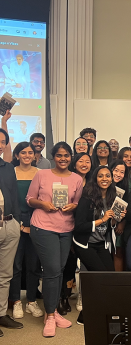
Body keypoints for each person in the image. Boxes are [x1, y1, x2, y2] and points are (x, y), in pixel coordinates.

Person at [27, 142, 83, 337]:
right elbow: (30, 199)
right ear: (53, 157)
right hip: (43, 226)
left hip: (66, 229)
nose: (63, 159)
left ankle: (54, 311)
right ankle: (50, 315)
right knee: (51, 270)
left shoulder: (77, 179)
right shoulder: (41, 174)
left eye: (66, 155)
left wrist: (73, 207)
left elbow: (78, 202)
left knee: (58, 270)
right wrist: (43, 204)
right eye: (59, 155)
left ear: (71, 157)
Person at [73, 166, 122, 324]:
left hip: (101, 243)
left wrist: (114, 220)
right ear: (95, 179)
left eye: (108, 176)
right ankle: (85, 315)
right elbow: (79, 226)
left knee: (110, 276)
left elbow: (109, 225)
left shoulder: (112, 197)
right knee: (99, 277)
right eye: (101, 176)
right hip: (85, 244)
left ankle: (104, 310)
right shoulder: (86, 199)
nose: (105, 179)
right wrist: (102, 219)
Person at [9, 142, 43, 320]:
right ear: (17, 155)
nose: (27, 155)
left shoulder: (40, 173)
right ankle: (15, 301)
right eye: (23, 152)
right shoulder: (11, 172)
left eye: (30, 152)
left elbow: (42, 198)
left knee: (33, 264)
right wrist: (20, 224)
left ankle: (31, 301)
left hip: (36, 221)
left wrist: (32, 224)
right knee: (15, 264)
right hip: (15, 220)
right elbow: (9, 199)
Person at [56, 153, 92, 316]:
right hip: (67, 225)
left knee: (84, 264)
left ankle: (83, 297)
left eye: (87, 161)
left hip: (86, 230)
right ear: (74, 163)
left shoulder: (93, 181)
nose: (84, 164)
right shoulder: (68, 179)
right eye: (80, 161)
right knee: (68, 263)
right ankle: (63, 297)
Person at [0, 128, 23, 336]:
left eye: (2, 141)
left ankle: (0, 314)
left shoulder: (8, 168)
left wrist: (16, 221)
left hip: (9, 225)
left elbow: (14, 196)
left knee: (5, 274)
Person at [109, 159, 130, 271]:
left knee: (118, 252)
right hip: (102, 226)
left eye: (122, 172)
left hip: (117, 225)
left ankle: (118, 282)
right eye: (116, 170)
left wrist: (122, 222)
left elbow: (127, 208)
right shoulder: (102, 184)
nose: (118, 174)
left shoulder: (124, 189)